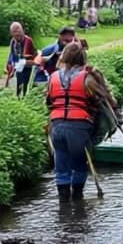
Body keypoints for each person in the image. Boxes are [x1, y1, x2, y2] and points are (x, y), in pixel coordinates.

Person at [46, 41, 100, 201]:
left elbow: (49, 101)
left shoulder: (53, 77)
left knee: (61, 162)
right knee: (79, 163)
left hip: (56, 125)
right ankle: (77, 198)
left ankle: (63, 201)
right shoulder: (87, 78)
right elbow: (96, 101)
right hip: (79, 126)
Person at [6, 22, 36, 97]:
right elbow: (11, 54)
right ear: (11, 33)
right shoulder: (13, 41)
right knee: (18, 84)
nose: (16, 34)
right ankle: (18, 98)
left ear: (22, 30)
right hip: (18, 66)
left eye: (18, 30)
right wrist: (9, 64)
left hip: (27, 65)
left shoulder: (28, 40)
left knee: (26, 84)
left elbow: (26, 56)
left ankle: (25, 97)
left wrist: (18, 64)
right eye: (14, 32)